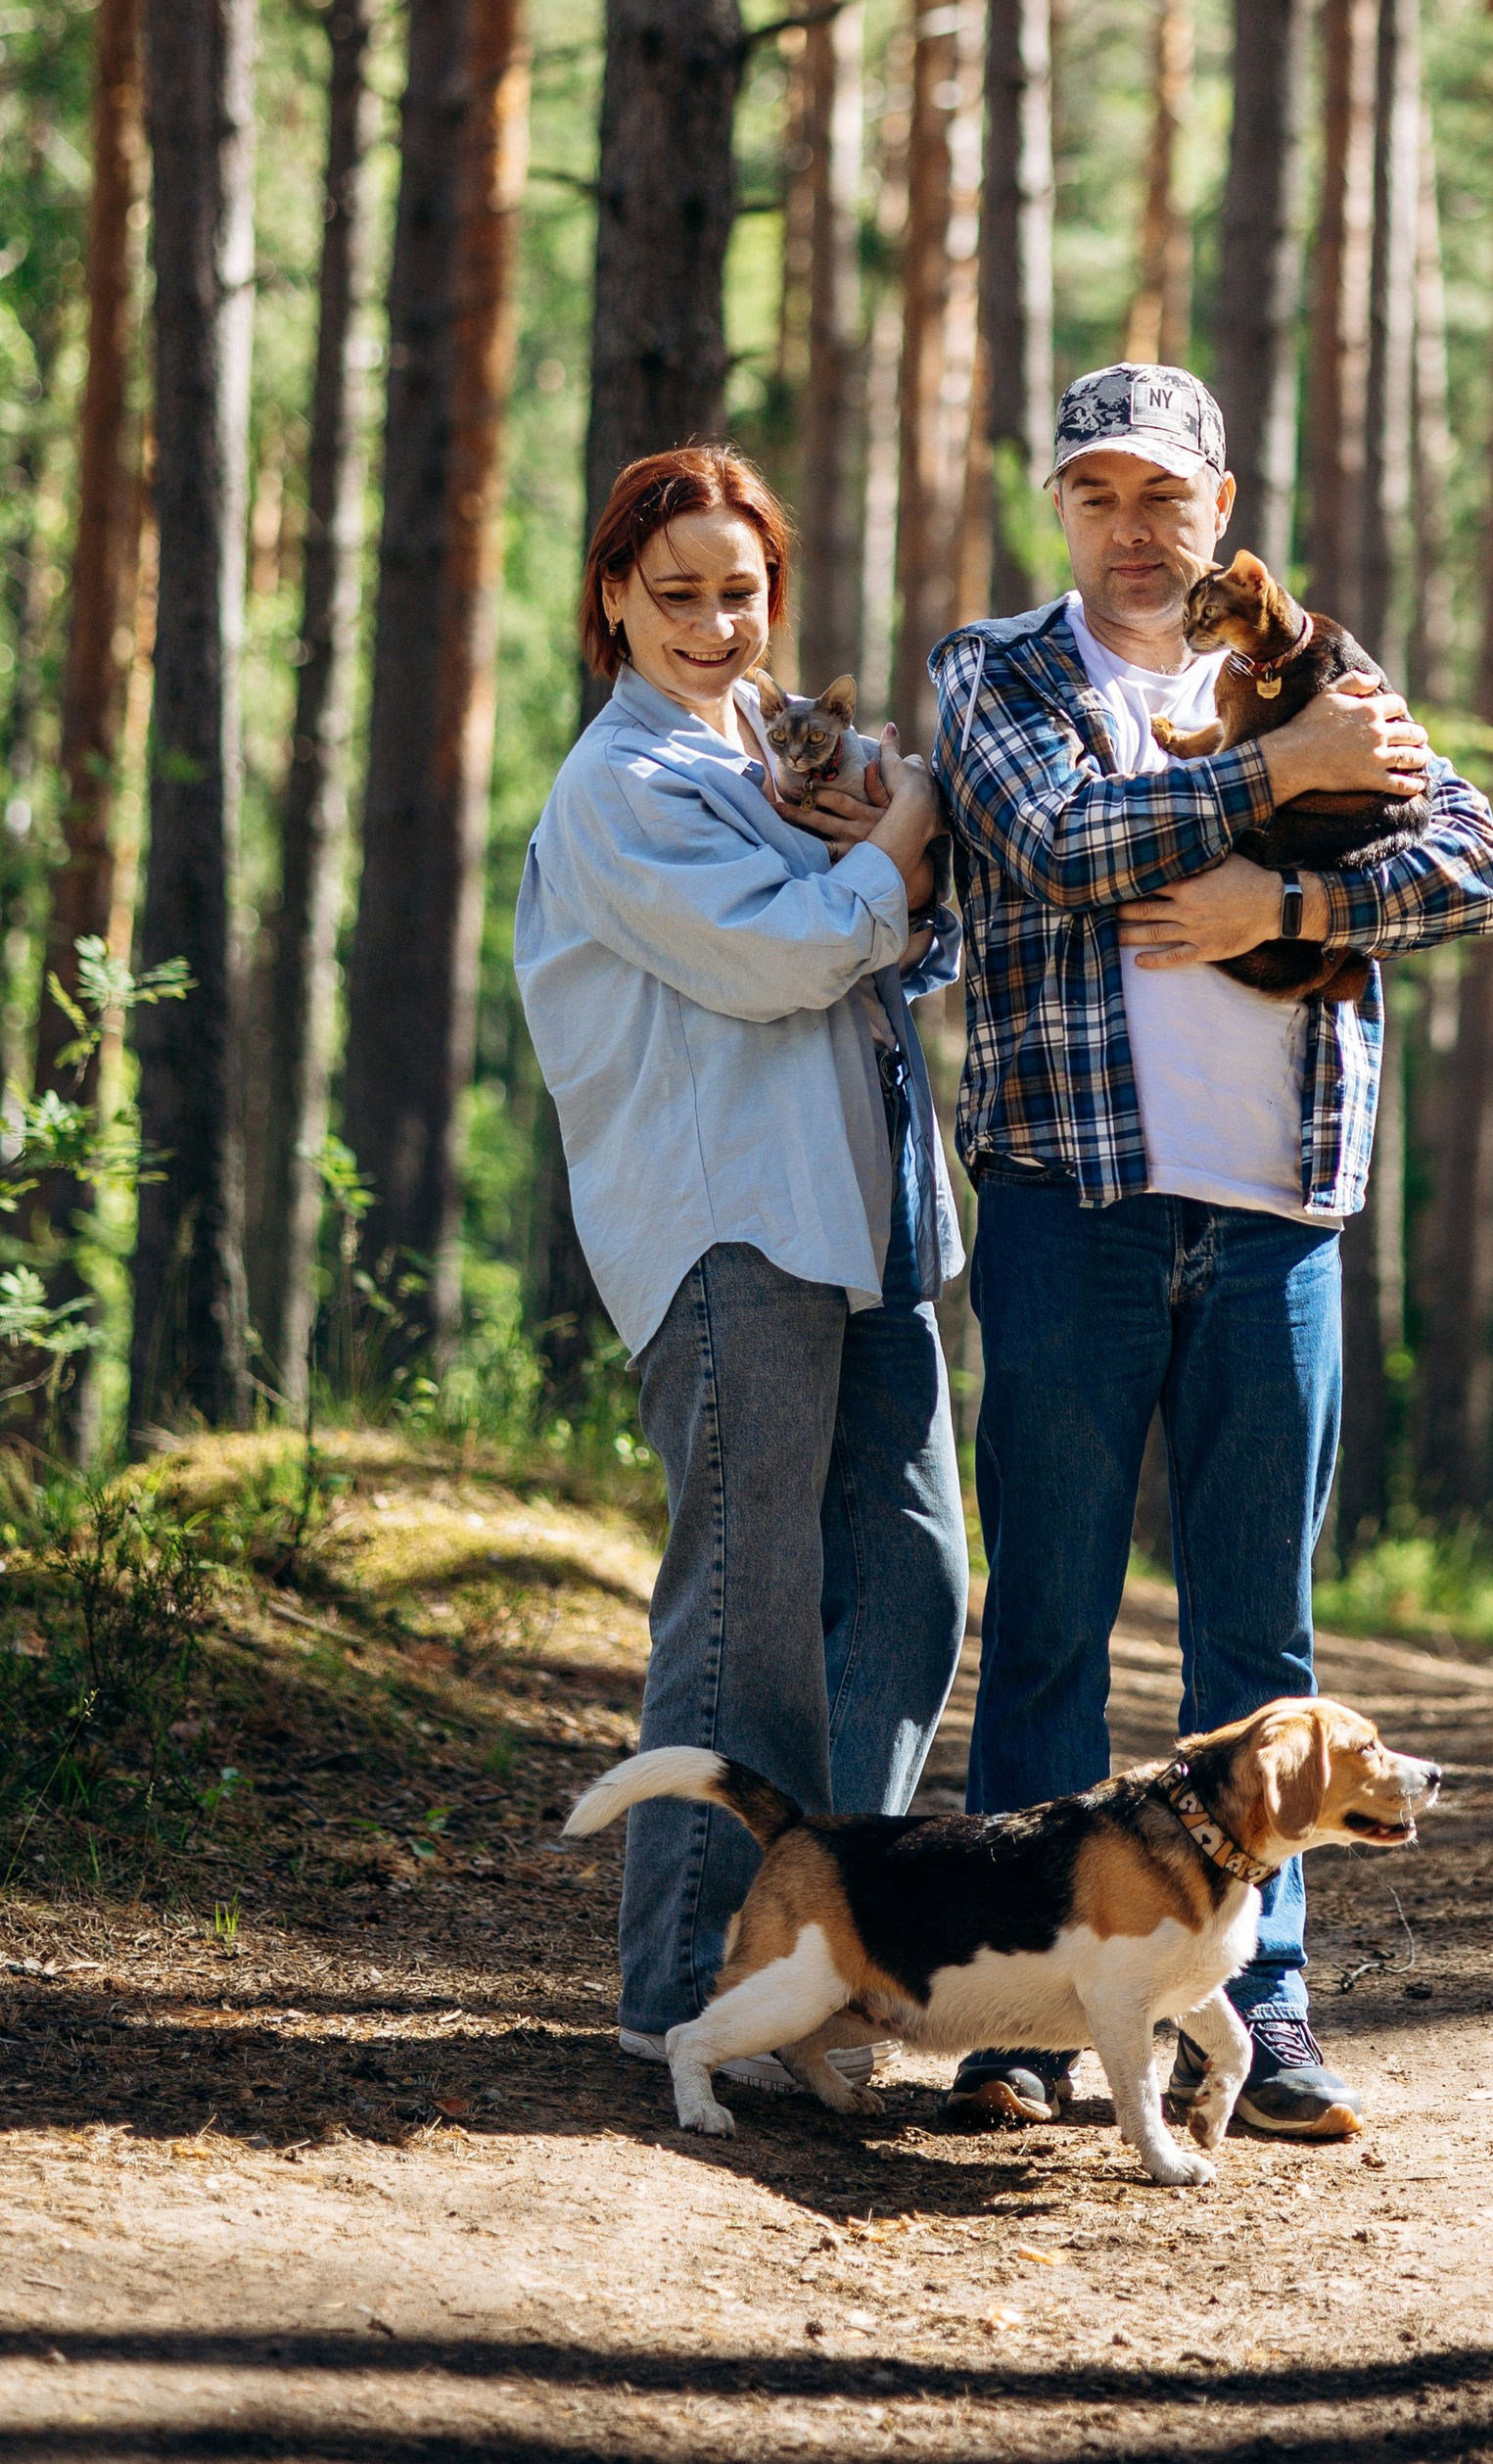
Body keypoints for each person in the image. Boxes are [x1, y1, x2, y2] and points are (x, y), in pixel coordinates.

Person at [929, 361, 1493, 2142]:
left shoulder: (1316, 671)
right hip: (1070, 1209)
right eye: (1097, 496)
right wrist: (1286, 776)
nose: (1131, 531)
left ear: (1219, 506)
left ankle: (1257, 2018)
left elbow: (1476, 861)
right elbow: (1054, 845)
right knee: (1045, 1622)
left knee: (1260, 1639)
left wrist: (1296, 900)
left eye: (1161, 498)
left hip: (1277, 1223)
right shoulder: (999, 675)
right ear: (1060, 507)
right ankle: (1021, 2019)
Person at [515, 443, 969, 2090]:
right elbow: (787, 958)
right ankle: (678, 1995)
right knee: (745, 1621)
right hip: (732, 1237)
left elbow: (887, 934)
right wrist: (900, 838)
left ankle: (824, 1968)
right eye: (678, 596)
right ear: (613, 605)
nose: (717, 625)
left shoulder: (757, 766)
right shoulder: (622, 789)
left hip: (864, 1235)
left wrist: (879, 842)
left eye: (742, 591)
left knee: (914, 1578)